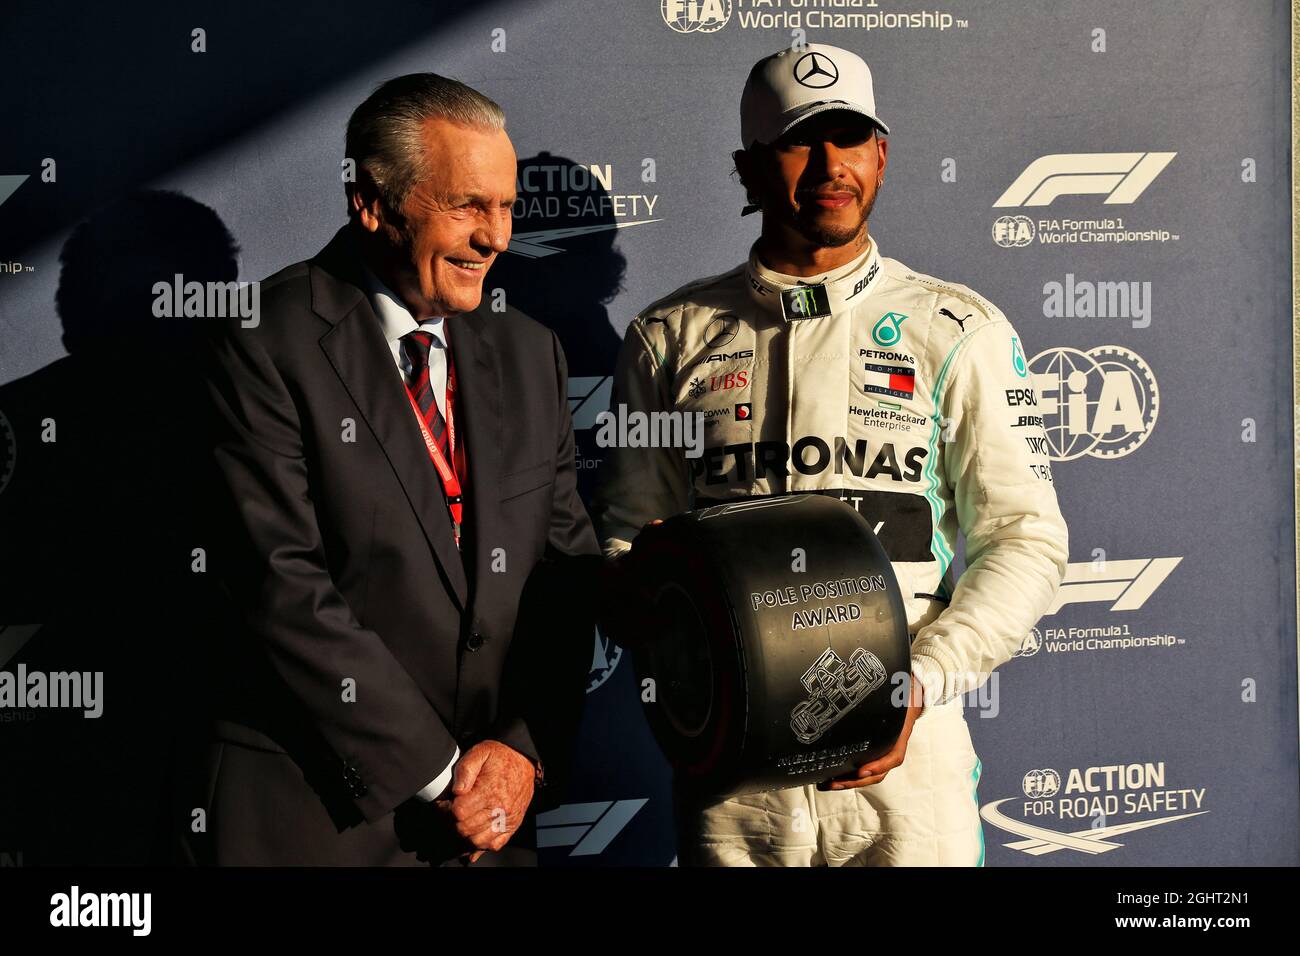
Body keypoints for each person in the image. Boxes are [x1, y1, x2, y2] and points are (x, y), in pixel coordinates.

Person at [592, 44, 1068, 866]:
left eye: (849, 138)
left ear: (880, 154)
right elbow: (630, 535)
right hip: (734, 792)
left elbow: (1027, 539)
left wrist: (920, 683)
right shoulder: (668, 341)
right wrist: (675, 651)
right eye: (798, 142)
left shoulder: (962, 331)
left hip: (910, 779)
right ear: (746, 171)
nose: (829, 167)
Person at [187, 73, 599, 866]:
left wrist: (517, 752)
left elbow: (564, 574)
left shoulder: (529, 351)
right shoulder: (261, 343)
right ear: (374, 202)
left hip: (490, 827)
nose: (498, 238)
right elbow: (279, 583)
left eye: (507, 207)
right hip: (312, 820)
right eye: (469, 206)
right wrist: (445, 776)